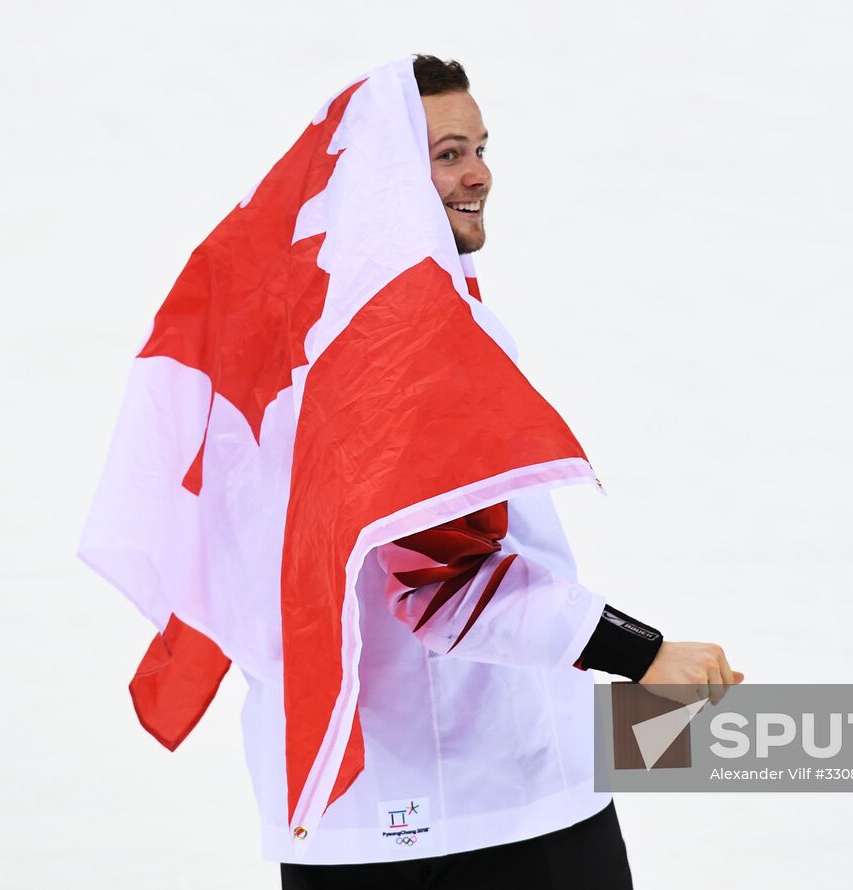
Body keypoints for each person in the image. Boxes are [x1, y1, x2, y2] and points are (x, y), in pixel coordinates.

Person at [272, 54, 745, 890]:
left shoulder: (301, 331)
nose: (481, 174)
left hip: (343, 815)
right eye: (448, 153)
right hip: (488, 818)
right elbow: (443, 584)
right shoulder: (409, 339)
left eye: (481, 147)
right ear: (387, 177)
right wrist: (643, 655)